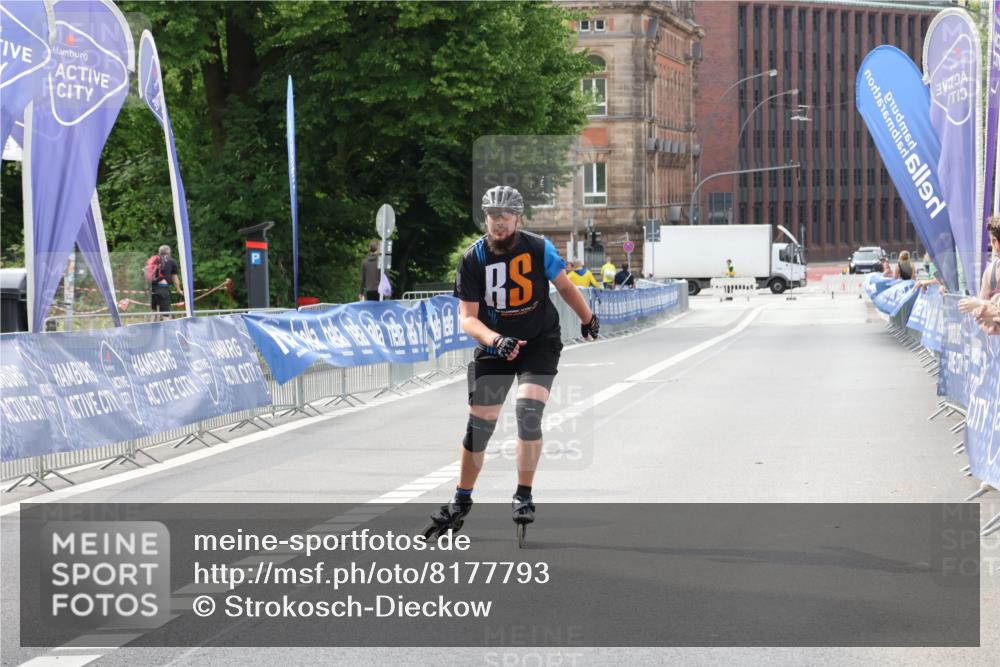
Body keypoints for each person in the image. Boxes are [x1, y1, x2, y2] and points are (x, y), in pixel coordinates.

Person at [426, 185, 599, 540]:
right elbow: (468, 319)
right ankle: (462, 499)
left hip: (539, 340)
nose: (499, 223)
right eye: (492, 216)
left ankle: (523, 494)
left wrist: (587, 318)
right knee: (480, 426)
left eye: (505, 216)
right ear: (485, 218)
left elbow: (564, 287)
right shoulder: (473, 258)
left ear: (519, 217)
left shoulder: (538, 248)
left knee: (528, 413)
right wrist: (495, 340)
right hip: (495, 345)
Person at [958, 216, 1000, 333]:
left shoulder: (989, 272)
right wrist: (981, 311)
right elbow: (985, 325)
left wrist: (979, 304)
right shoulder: (990, 272)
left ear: (995, 242)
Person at [148, 245, 181, 322]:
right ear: (169, 253)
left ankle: (149, 331)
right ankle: (167, 333)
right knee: (165, 314)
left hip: (152, 289)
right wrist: (178, 289)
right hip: (164, 289)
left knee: (153, 312)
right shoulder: (171, 261)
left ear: (159, 252)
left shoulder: (153, 260)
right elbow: (175, 278)